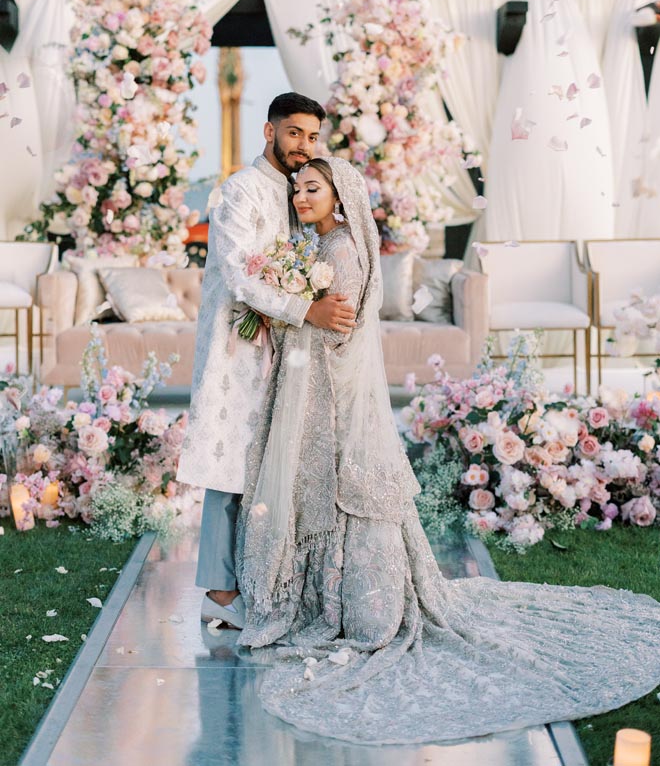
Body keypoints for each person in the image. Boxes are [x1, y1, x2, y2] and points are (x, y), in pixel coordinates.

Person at [234, 156, 660, 746]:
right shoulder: (313, 245)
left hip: (331, 396)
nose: (301, 196)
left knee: (342, 490)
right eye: (297, 188)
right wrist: (282, 303)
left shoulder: (338, 252)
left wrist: (281, 311)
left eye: (314, 188)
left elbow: (336, 330)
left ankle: (356, 606)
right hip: (311, 390)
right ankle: (327, 601)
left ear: (340, 196)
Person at [176, 94, 356, 629]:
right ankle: (221, 591)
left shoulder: (299, 193)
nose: (304, 146)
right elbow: (237, 272)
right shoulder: (240, 191)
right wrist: (307, 309)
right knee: (230, 462)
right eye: (295, 133)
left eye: (313, 136)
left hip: (286, 351)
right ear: (269, 130)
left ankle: (269, 580)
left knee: (268, 465)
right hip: (237, 347)